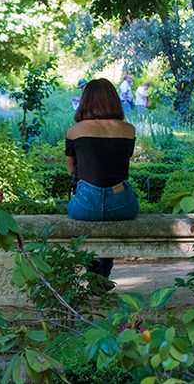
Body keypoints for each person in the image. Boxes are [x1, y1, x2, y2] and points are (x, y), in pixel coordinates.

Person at [65, 78, 139, 290]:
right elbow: (122, 163)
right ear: (113, 100)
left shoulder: (75, 130)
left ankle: (94, 276)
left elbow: (71, 170)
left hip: (85, 205)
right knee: (116, 207)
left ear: (85, 101)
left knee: (87, 215)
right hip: (121, 204)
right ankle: (103, 276)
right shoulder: (128, 129)